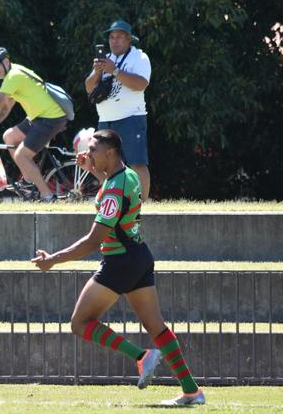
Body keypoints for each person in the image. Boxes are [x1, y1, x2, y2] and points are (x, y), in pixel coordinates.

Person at [32, 129, 205, 406]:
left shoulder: (113, 189)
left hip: (120, 262)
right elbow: (114, 187)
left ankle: (142, 356)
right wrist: (93, 170)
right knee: (155, 325)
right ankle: (192, 391)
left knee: (80, 323)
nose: (88, 154)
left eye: (93, 150)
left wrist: (53, 259)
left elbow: (93, 240)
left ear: (109, 153)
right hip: (139, 257)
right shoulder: (129, 175)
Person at [0, 47, 69, 201]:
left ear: (6, 61)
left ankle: (47, 196)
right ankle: (29, 179)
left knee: (22, 156)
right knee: (9, 136)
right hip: (39, 117)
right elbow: (6, 106)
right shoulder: (14, 73)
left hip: (50, 117)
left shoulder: (14, 76)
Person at [85, 19, 152, 199]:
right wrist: (97, 72)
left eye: (119, 37)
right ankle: (113, 199)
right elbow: (89, 87)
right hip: (105, 120)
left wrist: (115, 71)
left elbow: (141, 84)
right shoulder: (107, 59)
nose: (114, 41)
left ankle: (142, 205)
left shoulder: (139, 57)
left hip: (131, 118)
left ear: (129, 39)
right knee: (104, 163)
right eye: (112, 37)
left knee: (137, 163)